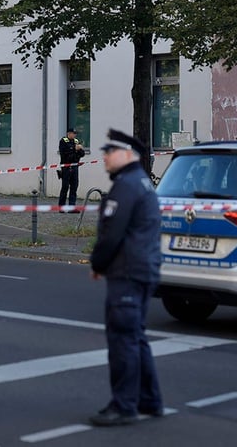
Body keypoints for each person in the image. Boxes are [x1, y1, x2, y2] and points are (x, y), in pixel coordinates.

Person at [88, 128, 163, 427]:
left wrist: (98, 262)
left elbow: (112, 233)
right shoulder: (141, 183)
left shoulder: (126, 186)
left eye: (109, 152)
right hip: (142, 269)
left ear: (127, 154)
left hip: (128, 272)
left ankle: (124, 405)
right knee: (136, 338)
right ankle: (149, 399)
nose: (104, 157)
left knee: (123, 341)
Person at [58, 128, 85, 208]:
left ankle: (72, 206)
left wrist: (79, 149)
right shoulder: (63, 141)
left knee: (74, 186)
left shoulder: (76, 141)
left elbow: (82, 154)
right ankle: (61, 207)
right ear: (68, 133)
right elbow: (64, 153)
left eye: (75, 134)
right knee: (65, 187)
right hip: (66, 167)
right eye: (73, 133)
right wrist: (74, 149)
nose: (74, 135)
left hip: (75, 166)